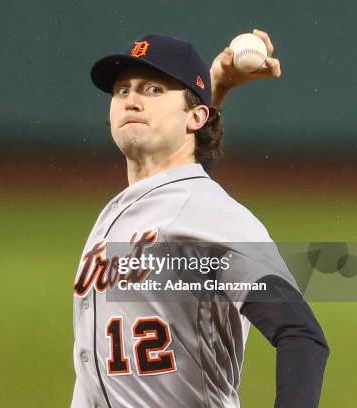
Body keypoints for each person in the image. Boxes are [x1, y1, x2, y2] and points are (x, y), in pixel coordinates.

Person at [71, 30, 328, 408]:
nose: (132, 101)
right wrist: (213, 89)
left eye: (153, 90)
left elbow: (301, 334)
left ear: (195, 117)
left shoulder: (213, 216)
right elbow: (182, 190)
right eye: (122, 90)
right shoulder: (134, 206)